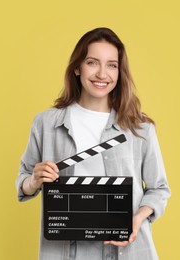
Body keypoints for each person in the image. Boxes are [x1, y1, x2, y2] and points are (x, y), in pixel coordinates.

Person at [16, 27, 171, 260]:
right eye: (92, 62)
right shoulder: (46, 124)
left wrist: (137, 220)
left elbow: (159, 188)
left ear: (120, 72)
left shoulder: (140, 128)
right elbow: (23, 181)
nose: (102, 74)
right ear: (77, 67)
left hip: (127, 251)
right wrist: (34, 180)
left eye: (111, 65)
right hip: (65, 250)